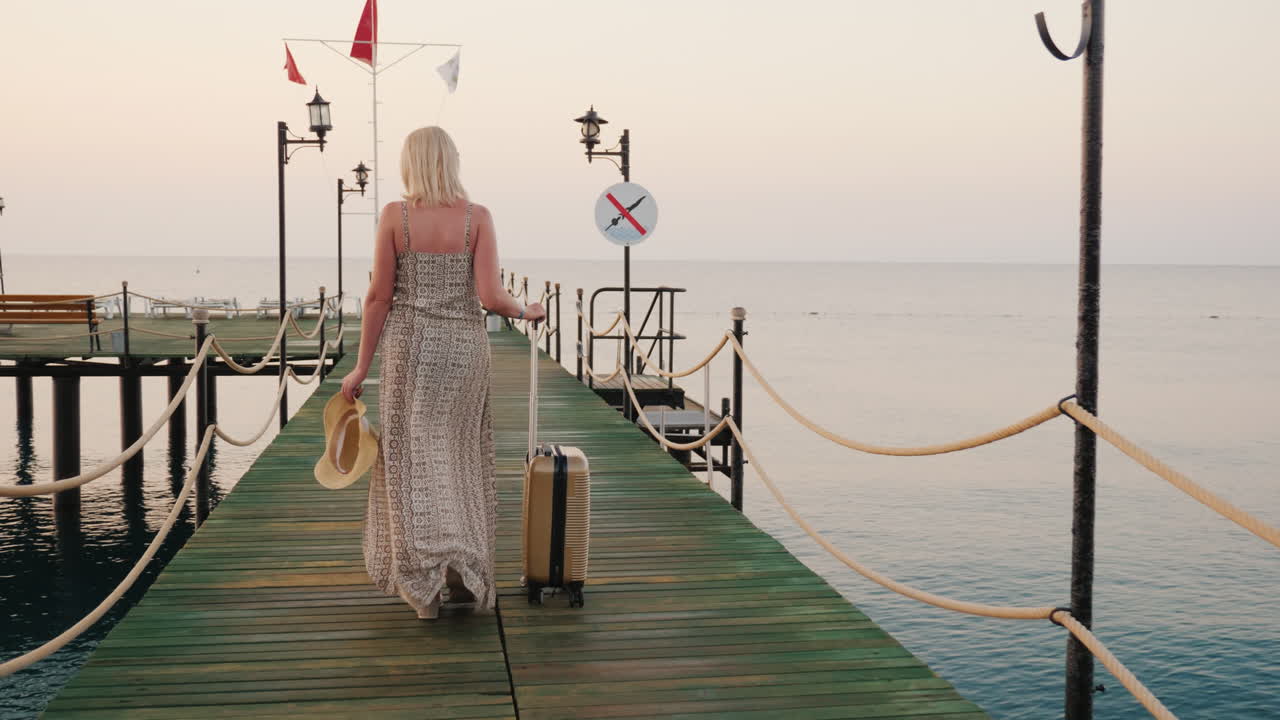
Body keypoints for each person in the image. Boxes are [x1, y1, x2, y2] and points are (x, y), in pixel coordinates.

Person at [340, 126, 545, 619]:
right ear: (451, 161)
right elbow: (491, 298)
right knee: (459, 458)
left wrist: (361, 367)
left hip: (410, 352)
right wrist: (526, 311)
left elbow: (378, 298)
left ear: (411, 163)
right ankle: (462, 575)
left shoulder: (396, 217)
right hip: (463, 352)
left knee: (412, 463)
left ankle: (422, 588)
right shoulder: (477, 219)